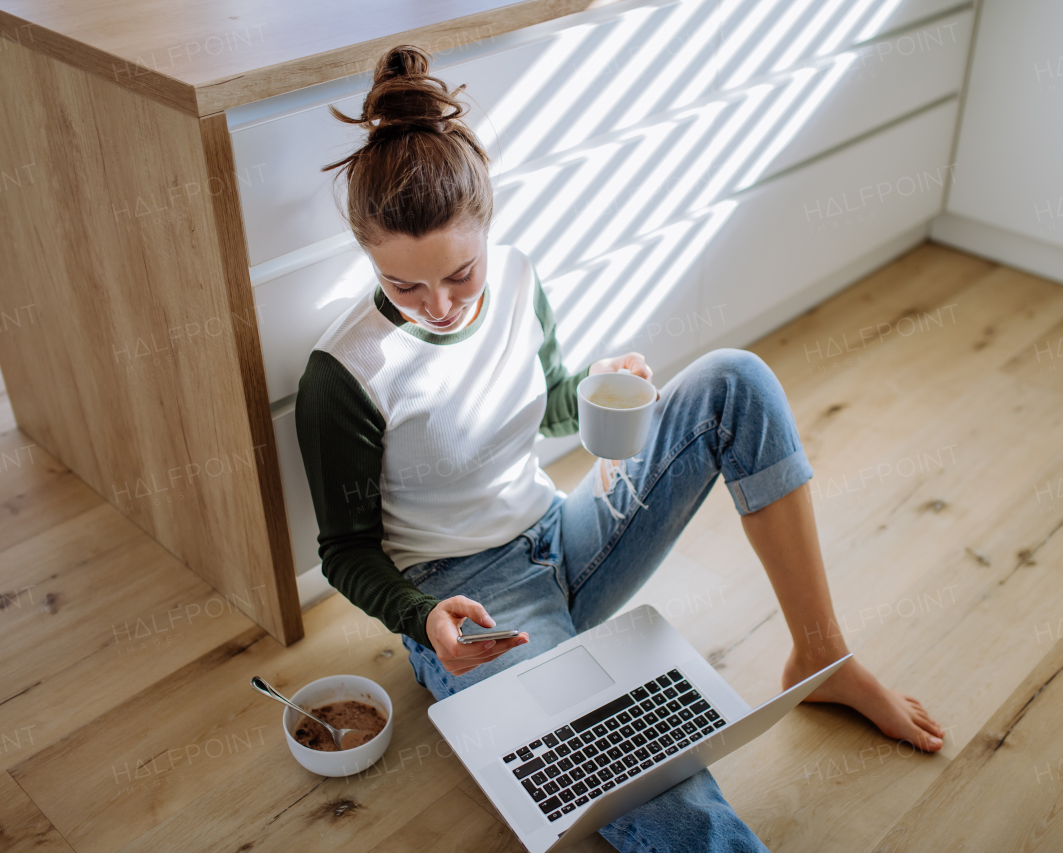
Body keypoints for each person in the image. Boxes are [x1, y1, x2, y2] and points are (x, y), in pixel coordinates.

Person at [296, 44, 944, 853]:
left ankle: (823, 655)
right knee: (639, 757)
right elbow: (345, 550)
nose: (441, 306)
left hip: (559, 536)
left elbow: (551, 400)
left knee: (733, 380)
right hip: (470, 604)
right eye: (405, 287)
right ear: (370, 260)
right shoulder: (344, 374)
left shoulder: (521, 278)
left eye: (461, 274)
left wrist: (596, 384)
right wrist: (422, 619)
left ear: (488, 229)